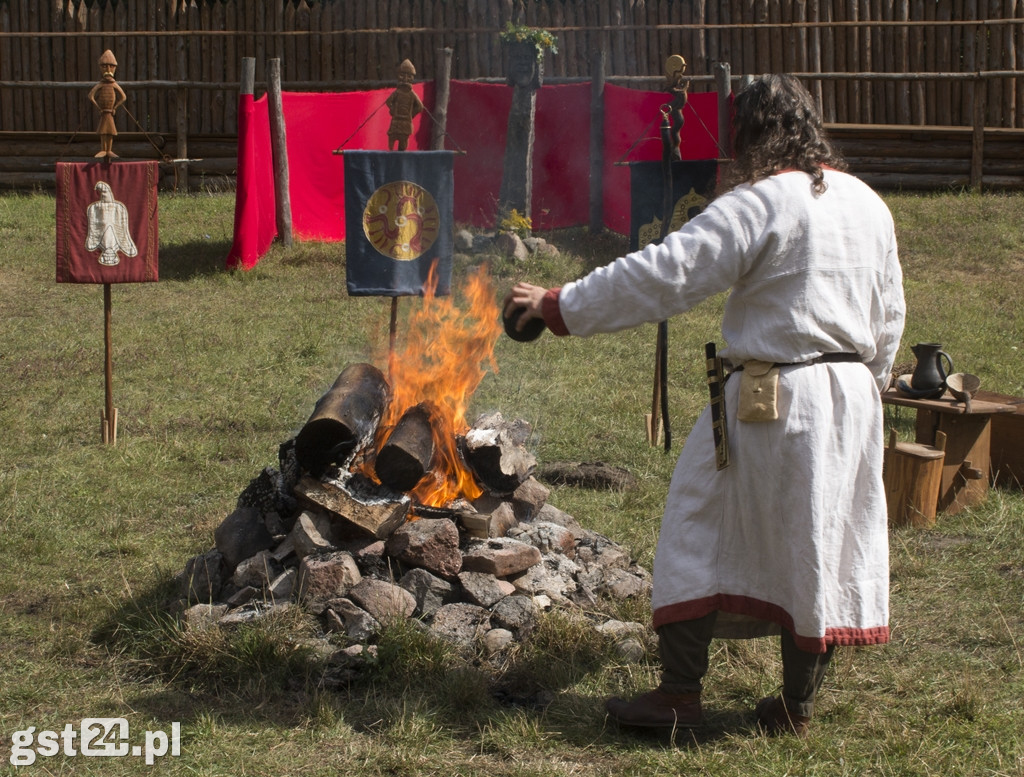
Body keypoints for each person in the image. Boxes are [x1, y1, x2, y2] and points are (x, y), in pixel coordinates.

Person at [503, 74, 905, 737]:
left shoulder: (764, 201)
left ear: (752, 136)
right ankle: (795, 708)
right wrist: (867, 395)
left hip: (774, 399)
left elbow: (669, 269)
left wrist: (558, 304)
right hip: (852, 399)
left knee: (698, 521)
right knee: (820, 542)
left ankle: (679, 695)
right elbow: (889, 316)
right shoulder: (868, 205)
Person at [88, 50, 127, 159]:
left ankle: (109, 150)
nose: (108, 70)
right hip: (104, 111)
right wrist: (98, 107)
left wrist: (114, 107)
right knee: (103, 131)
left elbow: (123, 97)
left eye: (111, 66)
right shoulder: (101, 84)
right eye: (105, 66)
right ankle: (103, 149)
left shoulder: (113, 84)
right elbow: (91, 95)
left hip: (110, 112)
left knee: (110, 131)